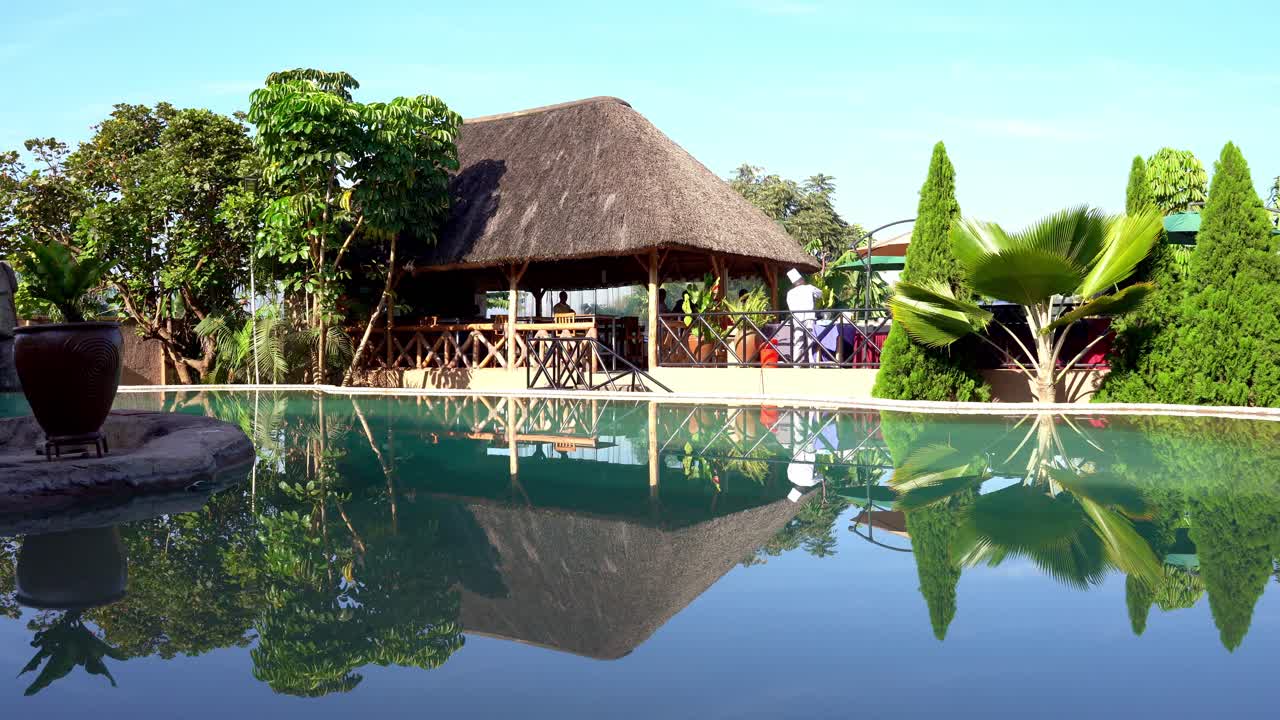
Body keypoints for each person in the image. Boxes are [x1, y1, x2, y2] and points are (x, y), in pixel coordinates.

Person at [785, 268, 822, 364]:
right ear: (801, 280)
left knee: (798, 341)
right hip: (809, 316)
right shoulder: (809, 287)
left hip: (797, 318)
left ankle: (796, 364)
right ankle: (812, 363)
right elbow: (820, 294)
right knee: (811, 341)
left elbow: (790, 307)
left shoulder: (790, 293)